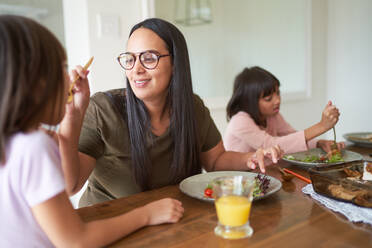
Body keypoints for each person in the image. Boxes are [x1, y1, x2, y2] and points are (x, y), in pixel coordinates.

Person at [0, 15, 184, 248]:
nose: (69, 79)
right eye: (62, 69)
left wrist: (74, 115)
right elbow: (77, 241)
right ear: (35, 84)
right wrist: (147, 214)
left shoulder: (17, 142)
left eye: (148, 58)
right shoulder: (34, 146)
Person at [58, 18, 282, 207]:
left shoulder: (192, 107)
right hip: (107, 224)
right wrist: (71, 116)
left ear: (175, 63)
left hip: (168, 222)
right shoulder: (103, 110)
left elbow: (216, 161)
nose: (136, 69)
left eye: (148, 58)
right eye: (130, 59)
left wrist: (250, 158)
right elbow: (71, 185)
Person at [224, 66, 345, 155]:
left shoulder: (272, 115)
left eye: (278, 93)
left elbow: (291, 136)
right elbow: (271, 145)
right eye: (268, 98)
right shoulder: (239, 122)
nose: (277, 100)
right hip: (240, 181)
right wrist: (321, 126)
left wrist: (319, 143)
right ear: (248, 102)